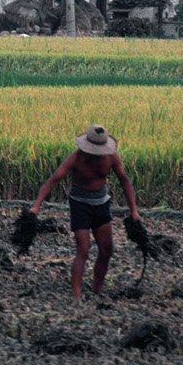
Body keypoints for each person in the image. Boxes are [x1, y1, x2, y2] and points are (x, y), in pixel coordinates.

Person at [30, 124, 142, 302]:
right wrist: (36, 206)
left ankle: (97, 289)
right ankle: (76, 296)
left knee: (106, 250)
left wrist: (134, 211)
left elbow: (125, 181)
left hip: (101, 205)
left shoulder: (111, 157)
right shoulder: (76, 158)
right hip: (80, 206)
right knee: (83, 249)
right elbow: (54, 179)